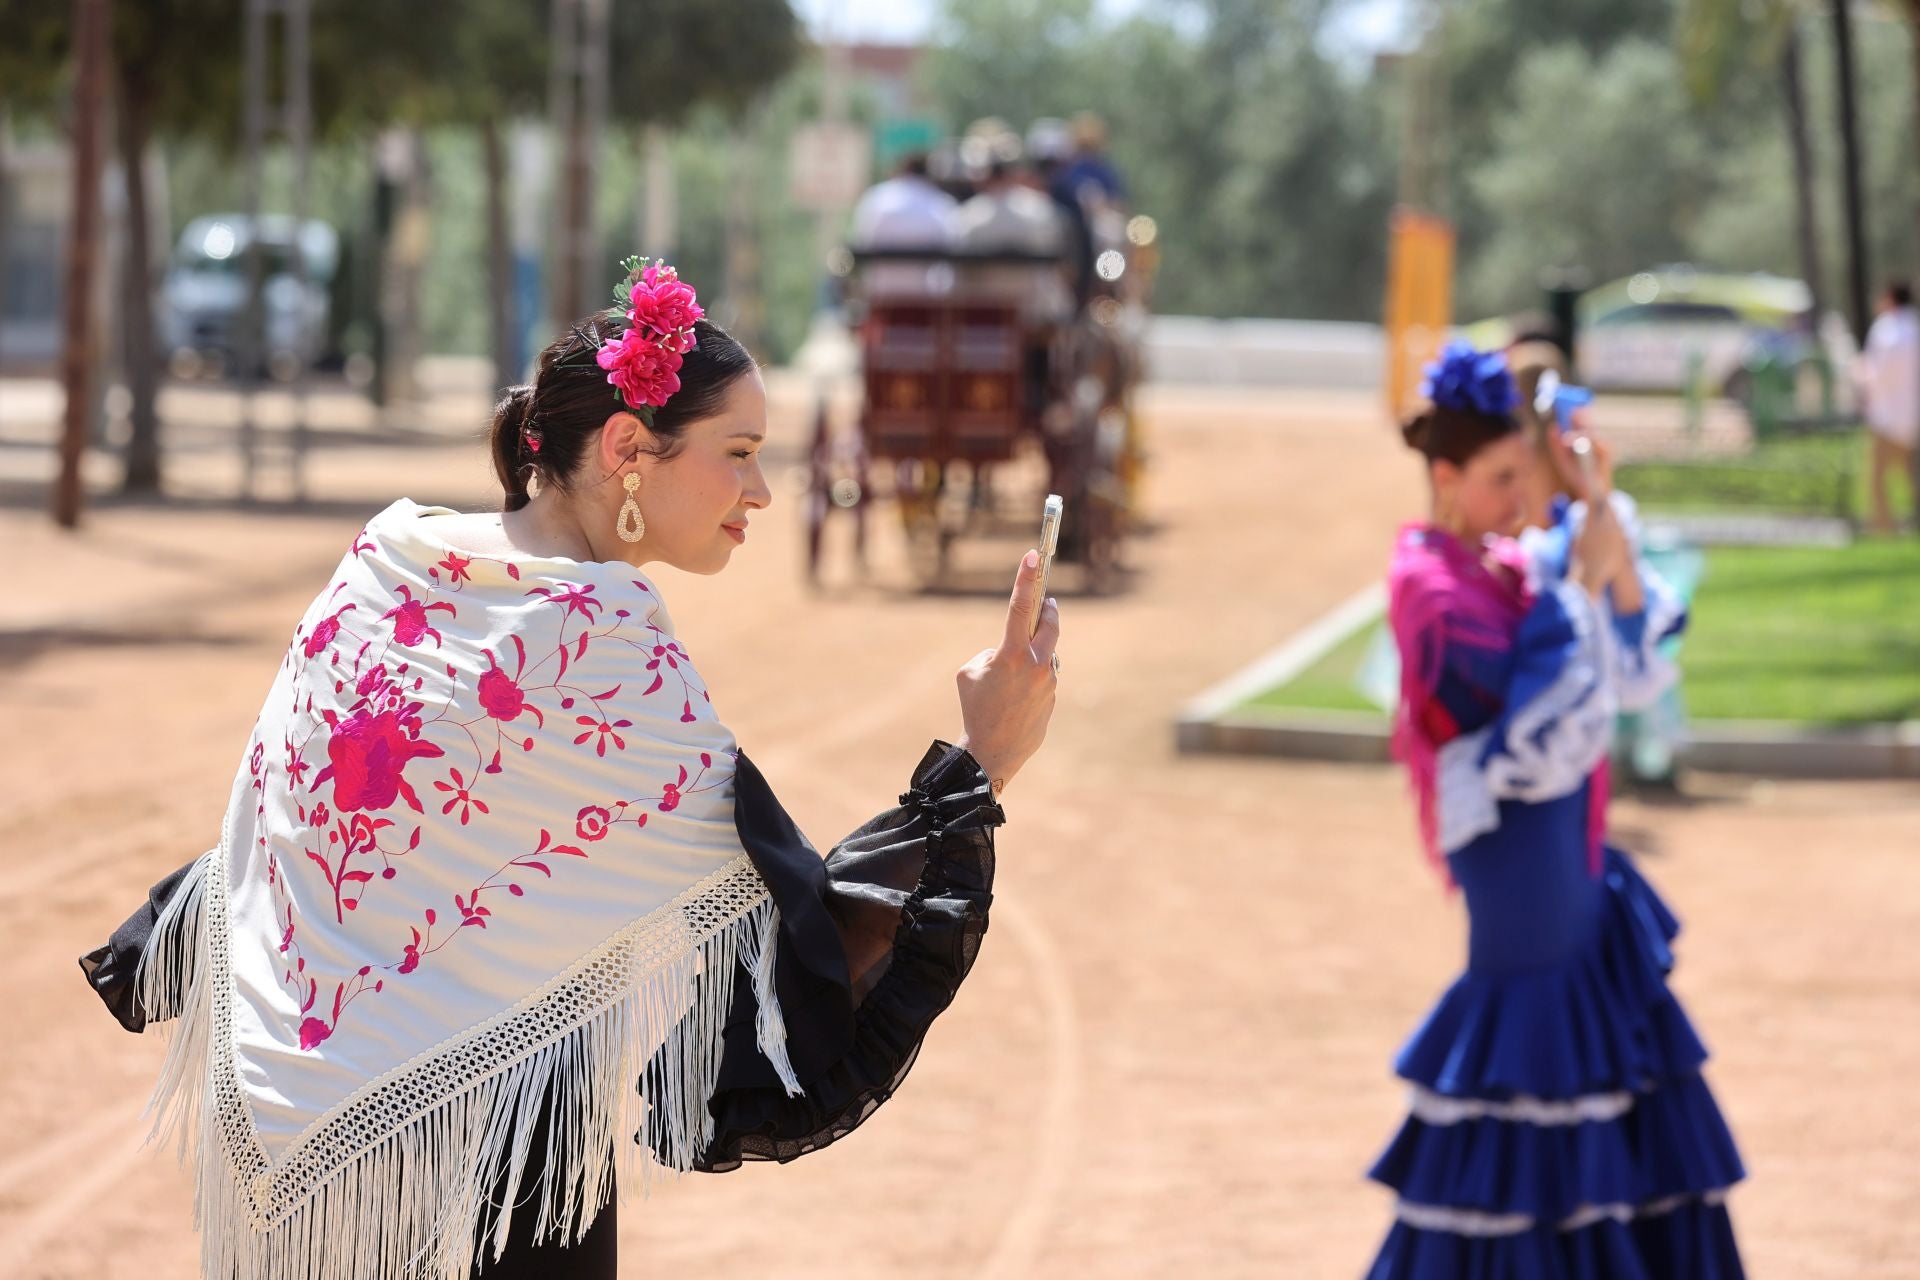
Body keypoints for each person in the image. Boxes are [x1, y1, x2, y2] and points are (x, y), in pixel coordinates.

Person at [79, 258, 1062, 1280]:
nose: (762, 490)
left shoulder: (391, 561)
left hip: (297, 1138)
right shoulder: (602, 638)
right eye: (739, 452)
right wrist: (980, 762)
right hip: (493, 1179)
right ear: (630, 447)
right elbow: (803, 928)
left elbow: (292, 830)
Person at [1364, 343, 1745, 1278]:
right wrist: (1577, 569)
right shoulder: (1432, 584)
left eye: (1521, 474)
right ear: (1444, 477)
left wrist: (1597, 503)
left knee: (1617, 1163)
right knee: (1518, 1174)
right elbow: (1536, 736)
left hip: (1582, 909)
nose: (1516, 496)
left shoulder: (1509, 562)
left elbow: (1628, 652)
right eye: (1501, 478)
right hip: (1526, 921)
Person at [1854, 279, 1918, 534]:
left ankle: (1884, 529)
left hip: (1886, 418)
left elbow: (1874, 373)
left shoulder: (1886, 329)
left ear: (1890, 298)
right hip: (1913, 416)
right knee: (1913, 476)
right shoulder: (1915, 326)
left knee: (1878, 480)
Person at [849, 150, 958, 251]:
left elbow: (860, 238)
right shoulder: (943, 203)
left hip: (879, 270)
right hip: (925, 271)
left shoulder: (875, 196)